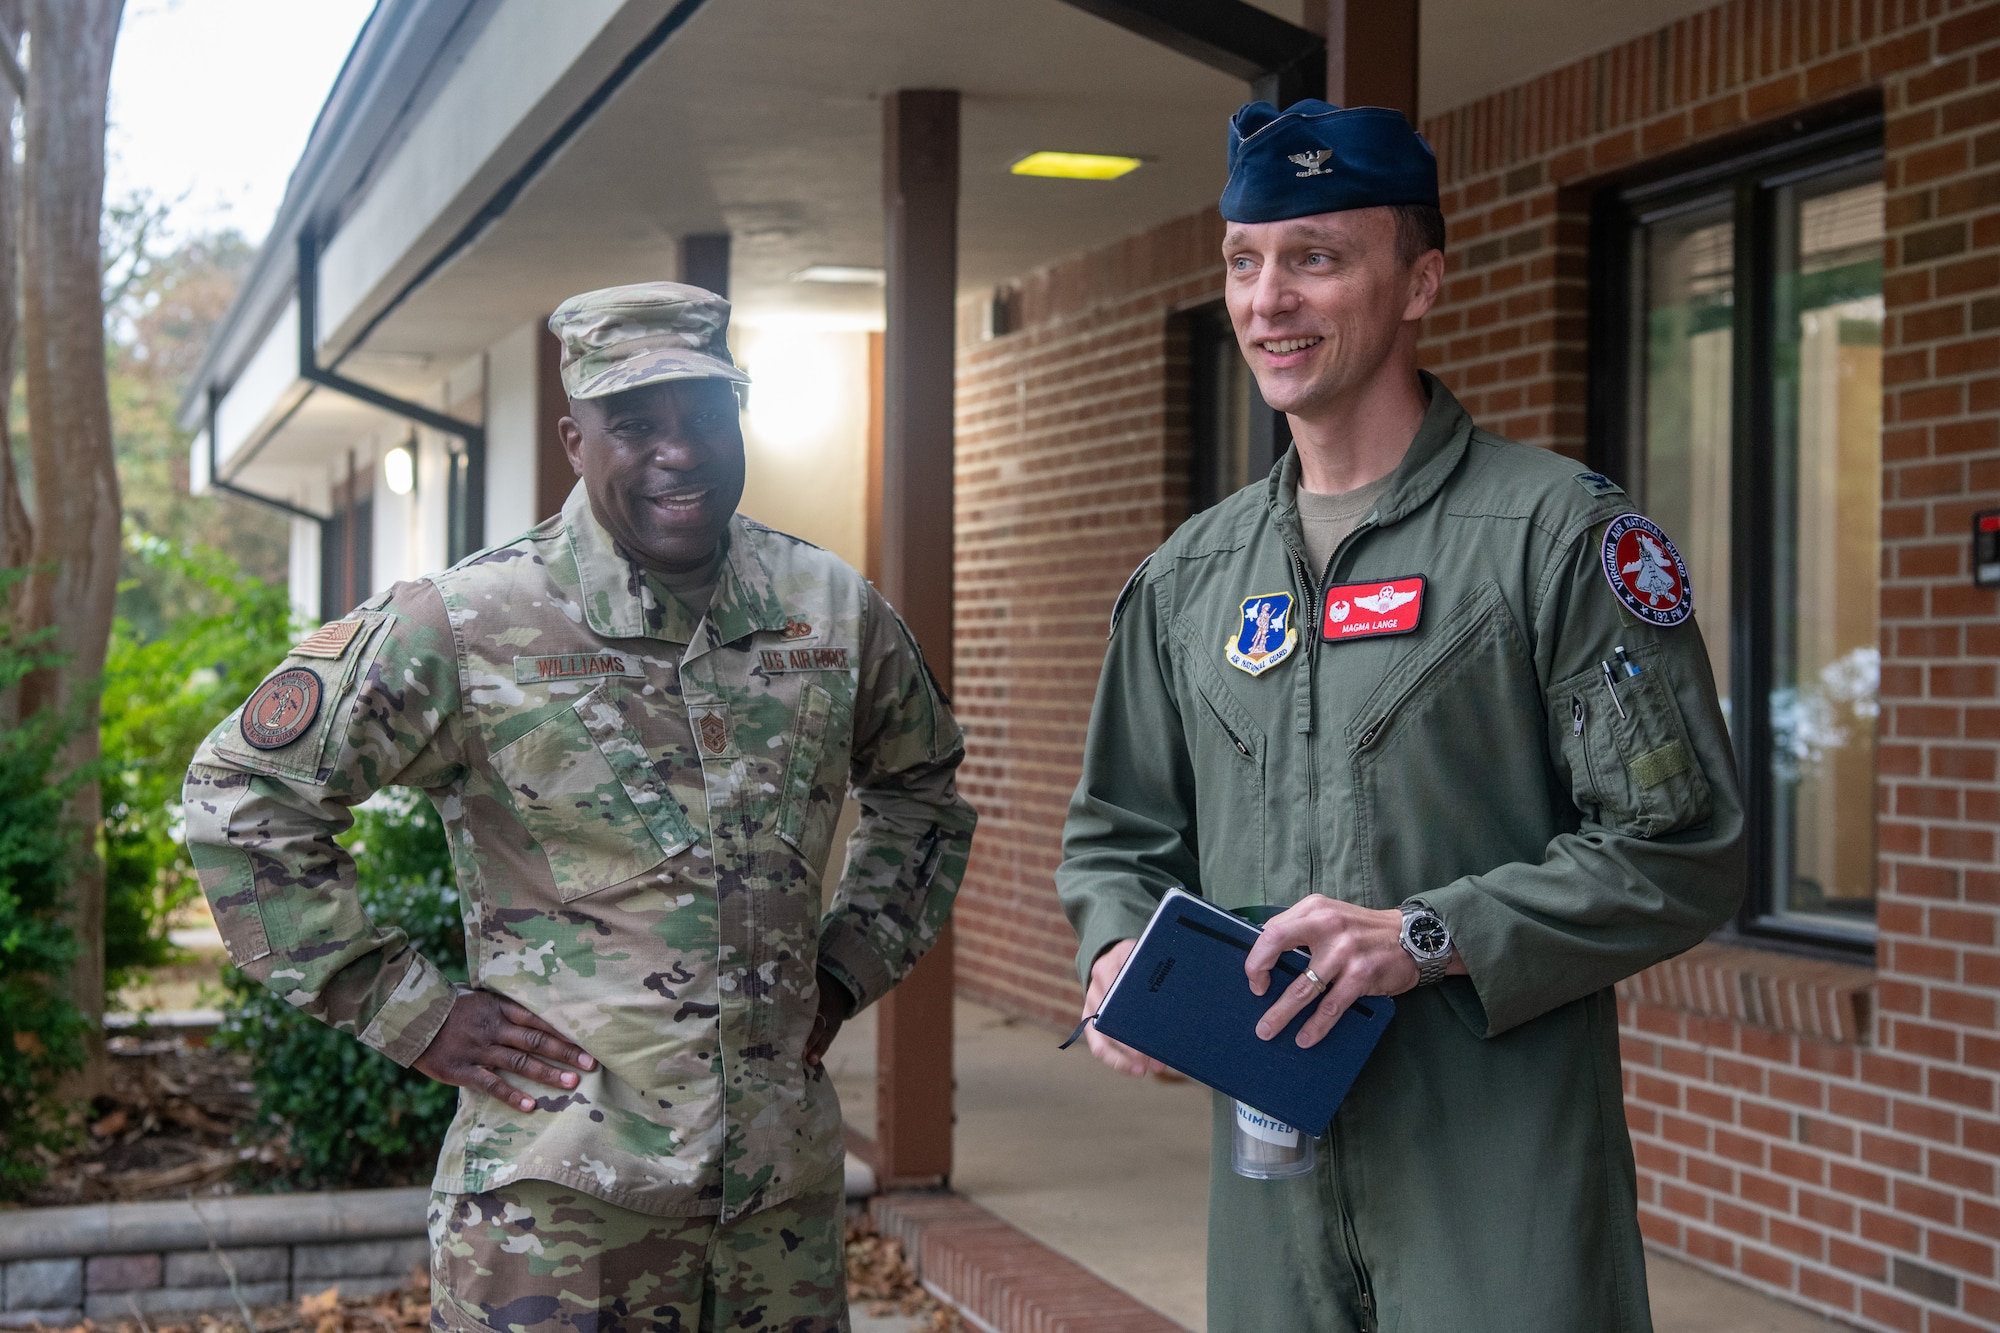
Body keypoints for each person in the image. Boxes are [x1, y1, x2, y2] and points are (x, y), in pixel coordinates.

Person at [1057, 100, 1743, 1333]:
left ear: (1420, 280)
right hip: (1269, 1183)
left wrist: (1426, 934)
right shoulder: (1188, 577)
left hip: (1496, 1172)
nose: (1268, 300)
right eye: (1242, 261)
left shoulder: (1555, 538)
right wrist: (1114, 951)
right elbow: (1117, 828)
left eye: (1315, 257)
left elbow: (1678, 849)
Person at [185, 281, 976, 1333]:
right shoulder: (469, 622)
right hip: (556, 1219)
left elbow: (922, 791)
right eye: (634, 423)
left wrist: (844, 966)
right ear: (574, 437)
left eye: (701, 415)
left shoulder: (828, 608)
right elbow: (245, 795)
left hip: (774, 1218)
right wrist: (411, 1011)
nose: (677, 451)